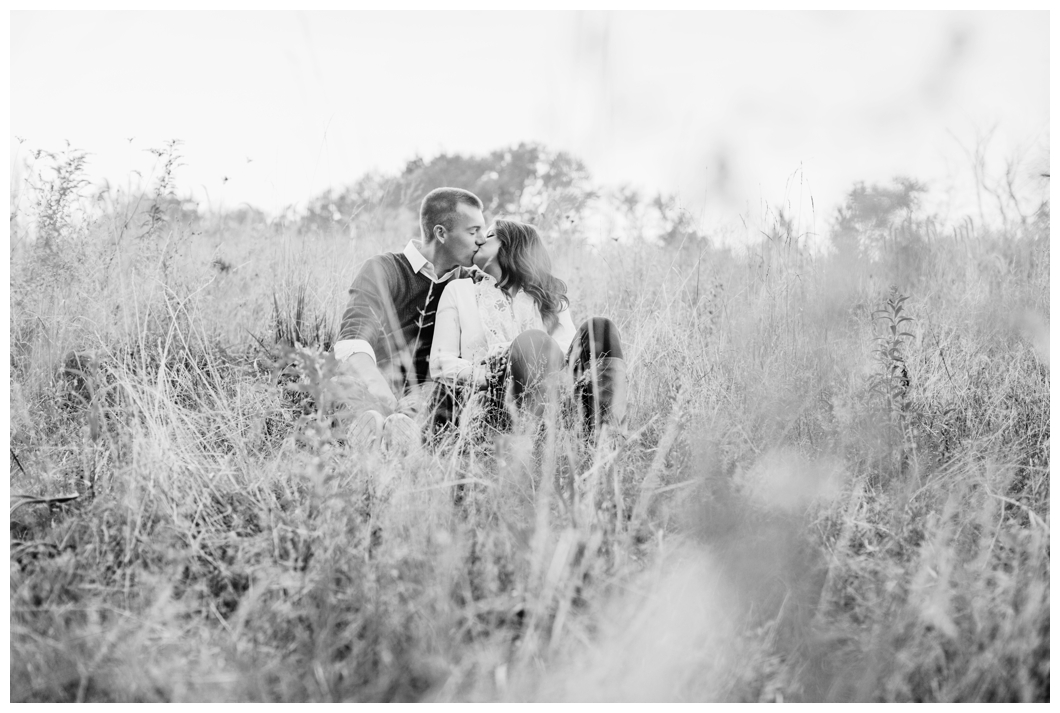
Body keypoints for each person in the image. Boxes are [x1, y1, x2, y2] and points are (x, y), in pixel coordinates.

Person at [427, 219, 627, 445]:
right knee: (533, 340)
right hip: (496, 403)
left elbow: (567, 354)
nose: (480, 239)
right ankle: (530, 438)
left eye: (490, 235)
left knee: (600, 327)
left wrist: (522, 348)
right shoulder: (460, 291)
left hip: (557, 399)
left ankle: (606, 439)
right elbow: (440, 362)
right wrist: (487, 376)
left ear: (512, 246)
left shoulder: (548, 299)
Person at [332, 187, 487, 452]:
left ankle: (399, 439)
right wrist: (377, 386)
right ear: (441, 233)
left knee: (439, 397)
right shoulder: (384, 268)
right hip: (377, 380)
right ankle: (369, 433)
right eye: (473, 232)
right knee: (349, 387)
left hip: (430, 391)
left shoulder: (470, 284)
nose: (481, 240)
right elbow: (354, 337)